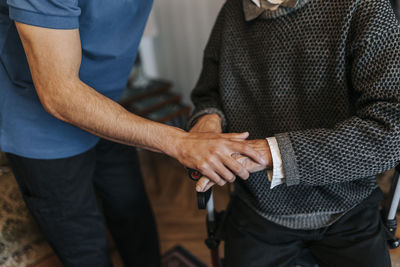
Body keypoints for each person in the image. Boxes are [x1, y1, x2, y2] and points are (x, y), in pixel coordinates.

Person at [0, 1, 268, 266]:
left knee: (133, 214)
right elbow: (59, 94)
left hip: (110, 108)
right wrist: (178, 141)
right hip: (37, 124)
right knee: (83, 245)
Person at [189, 0, 400, 266]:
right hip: (258, 207)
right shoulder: (233, 11)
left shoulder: (365, 7)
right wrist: (208, 121)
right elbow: (209, 93)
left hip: (348, 206)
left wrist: (272, 153)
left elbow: (392, 131)